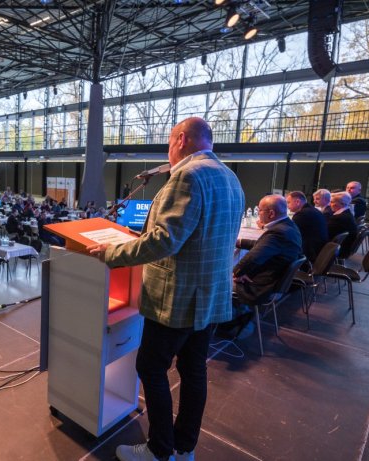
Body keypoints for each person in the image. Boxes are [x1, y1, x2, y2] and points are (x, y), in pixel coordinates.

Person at [87, 117, 244, 461]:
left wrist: (111, 253)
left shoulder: (187, 176)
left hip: (177, 299)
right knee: (193, 371)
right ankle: (184, 448)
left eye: (169, 144)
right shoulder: (231, 178)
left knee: (151, 368)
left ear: (181, 139)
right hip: (211, 297)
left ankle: (159, 450)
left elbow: (163, 241)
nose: (168, 153)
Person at [233, 195, 303, 305]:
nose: (258, 213)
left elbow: (253, 258)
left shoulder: (278, 232)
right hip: (274, 280)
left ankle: (224, 318)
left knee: (217, 281)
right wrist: (239, 242)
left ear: (271, 213)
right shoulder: (289, 225)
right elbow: (262, 245)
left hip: (260, 287)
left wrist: (236, 273)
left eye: (260, 210)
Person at [286, 191, 328, 263]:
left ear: (297, 202)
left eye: (288, 202)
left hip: (309, 253)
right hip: (319, 249)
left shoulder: (302, 214)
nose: (287, 205)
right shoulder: (311, 210)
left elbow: (287, 233)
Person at [327, 191, 358, 257]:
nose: (329, 204)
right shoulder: (347, 213)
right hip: (344, 247)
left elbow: (326, 233)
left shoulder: (339, 217)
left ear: (342, 204)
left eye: (332, 202)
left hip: (340, 249)